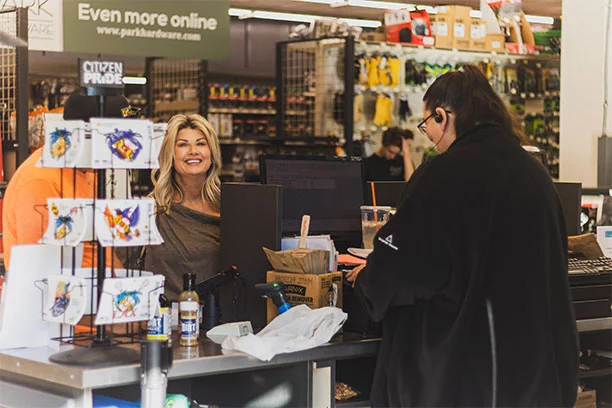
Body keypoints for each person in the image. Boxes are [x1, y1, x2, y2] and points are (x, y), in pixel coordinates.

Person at [347, 65, 578, 407]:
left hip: (462, 380)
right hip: (533, 379)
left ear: (442, 115)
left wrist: (365, 279)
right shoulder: (535, 174)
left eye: (427, 126)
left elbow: (399, 271)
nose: (430, 138)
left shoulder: (441, 175)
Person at [2, 93, 130, 270]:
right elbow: (40, 269)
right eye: (115, 137)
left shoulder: (89, 171)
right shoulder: (39, 180)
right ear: (86, 133)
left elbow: (103, 251)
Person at [143, 113, 222, 300]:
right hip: (163, 323)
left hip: (220, 323)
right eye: (183, 144)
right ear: (170, 154)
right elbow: (119, 265)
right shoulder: (152, 210)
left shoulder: (231, 207)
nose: (193, 151)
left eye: (201, 143)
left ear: (211, 153)